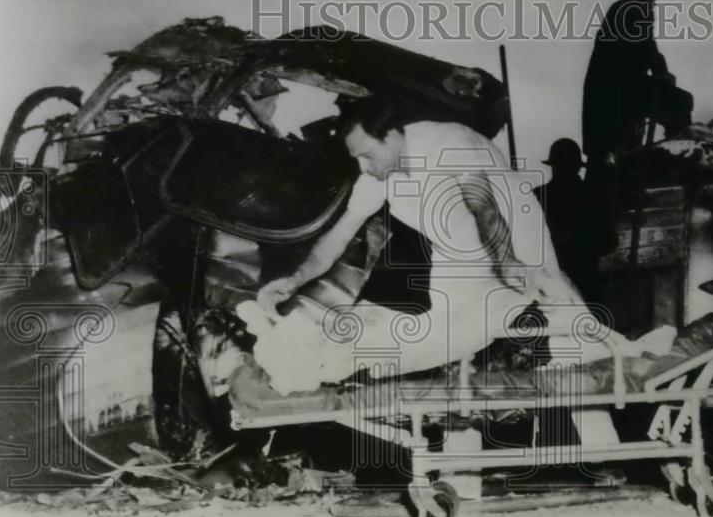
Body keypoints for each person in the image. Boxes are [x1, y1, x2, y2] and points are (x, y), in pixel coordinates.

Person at [254, 97, 607, 388]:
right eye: (356, 159)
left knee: (567, 339)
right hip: (459, 259)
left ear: (392, 136)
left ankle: (610, 412)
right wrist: (295, 279)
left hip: (513, 240)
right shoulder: (379, 175)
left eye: (366, 155)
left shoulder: (451, 143)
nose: (362, 168)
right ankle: (462, 466)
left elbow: (484, 210)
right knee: (453, 349)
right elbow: (339, 235)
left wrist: (509, 264)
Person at [581, 0, 676, 170]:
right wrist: (662, 73)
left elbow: (643, 47)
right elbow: (647, 46)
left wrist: (659, 70)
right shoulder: (636, 9)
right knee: (679, 102)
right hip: (620, 92)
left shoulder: (620, 9)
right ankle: (677, 154)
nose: (654, 4)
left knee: (604, 156)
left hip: (607, 96)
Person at [532, 138, 593, 295]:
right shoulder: (592, 195)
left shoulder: (538, 196)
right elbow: (609, 243)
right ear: (578, 168)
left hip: (553, 283)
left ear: (553, 167)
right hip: (588, 281)